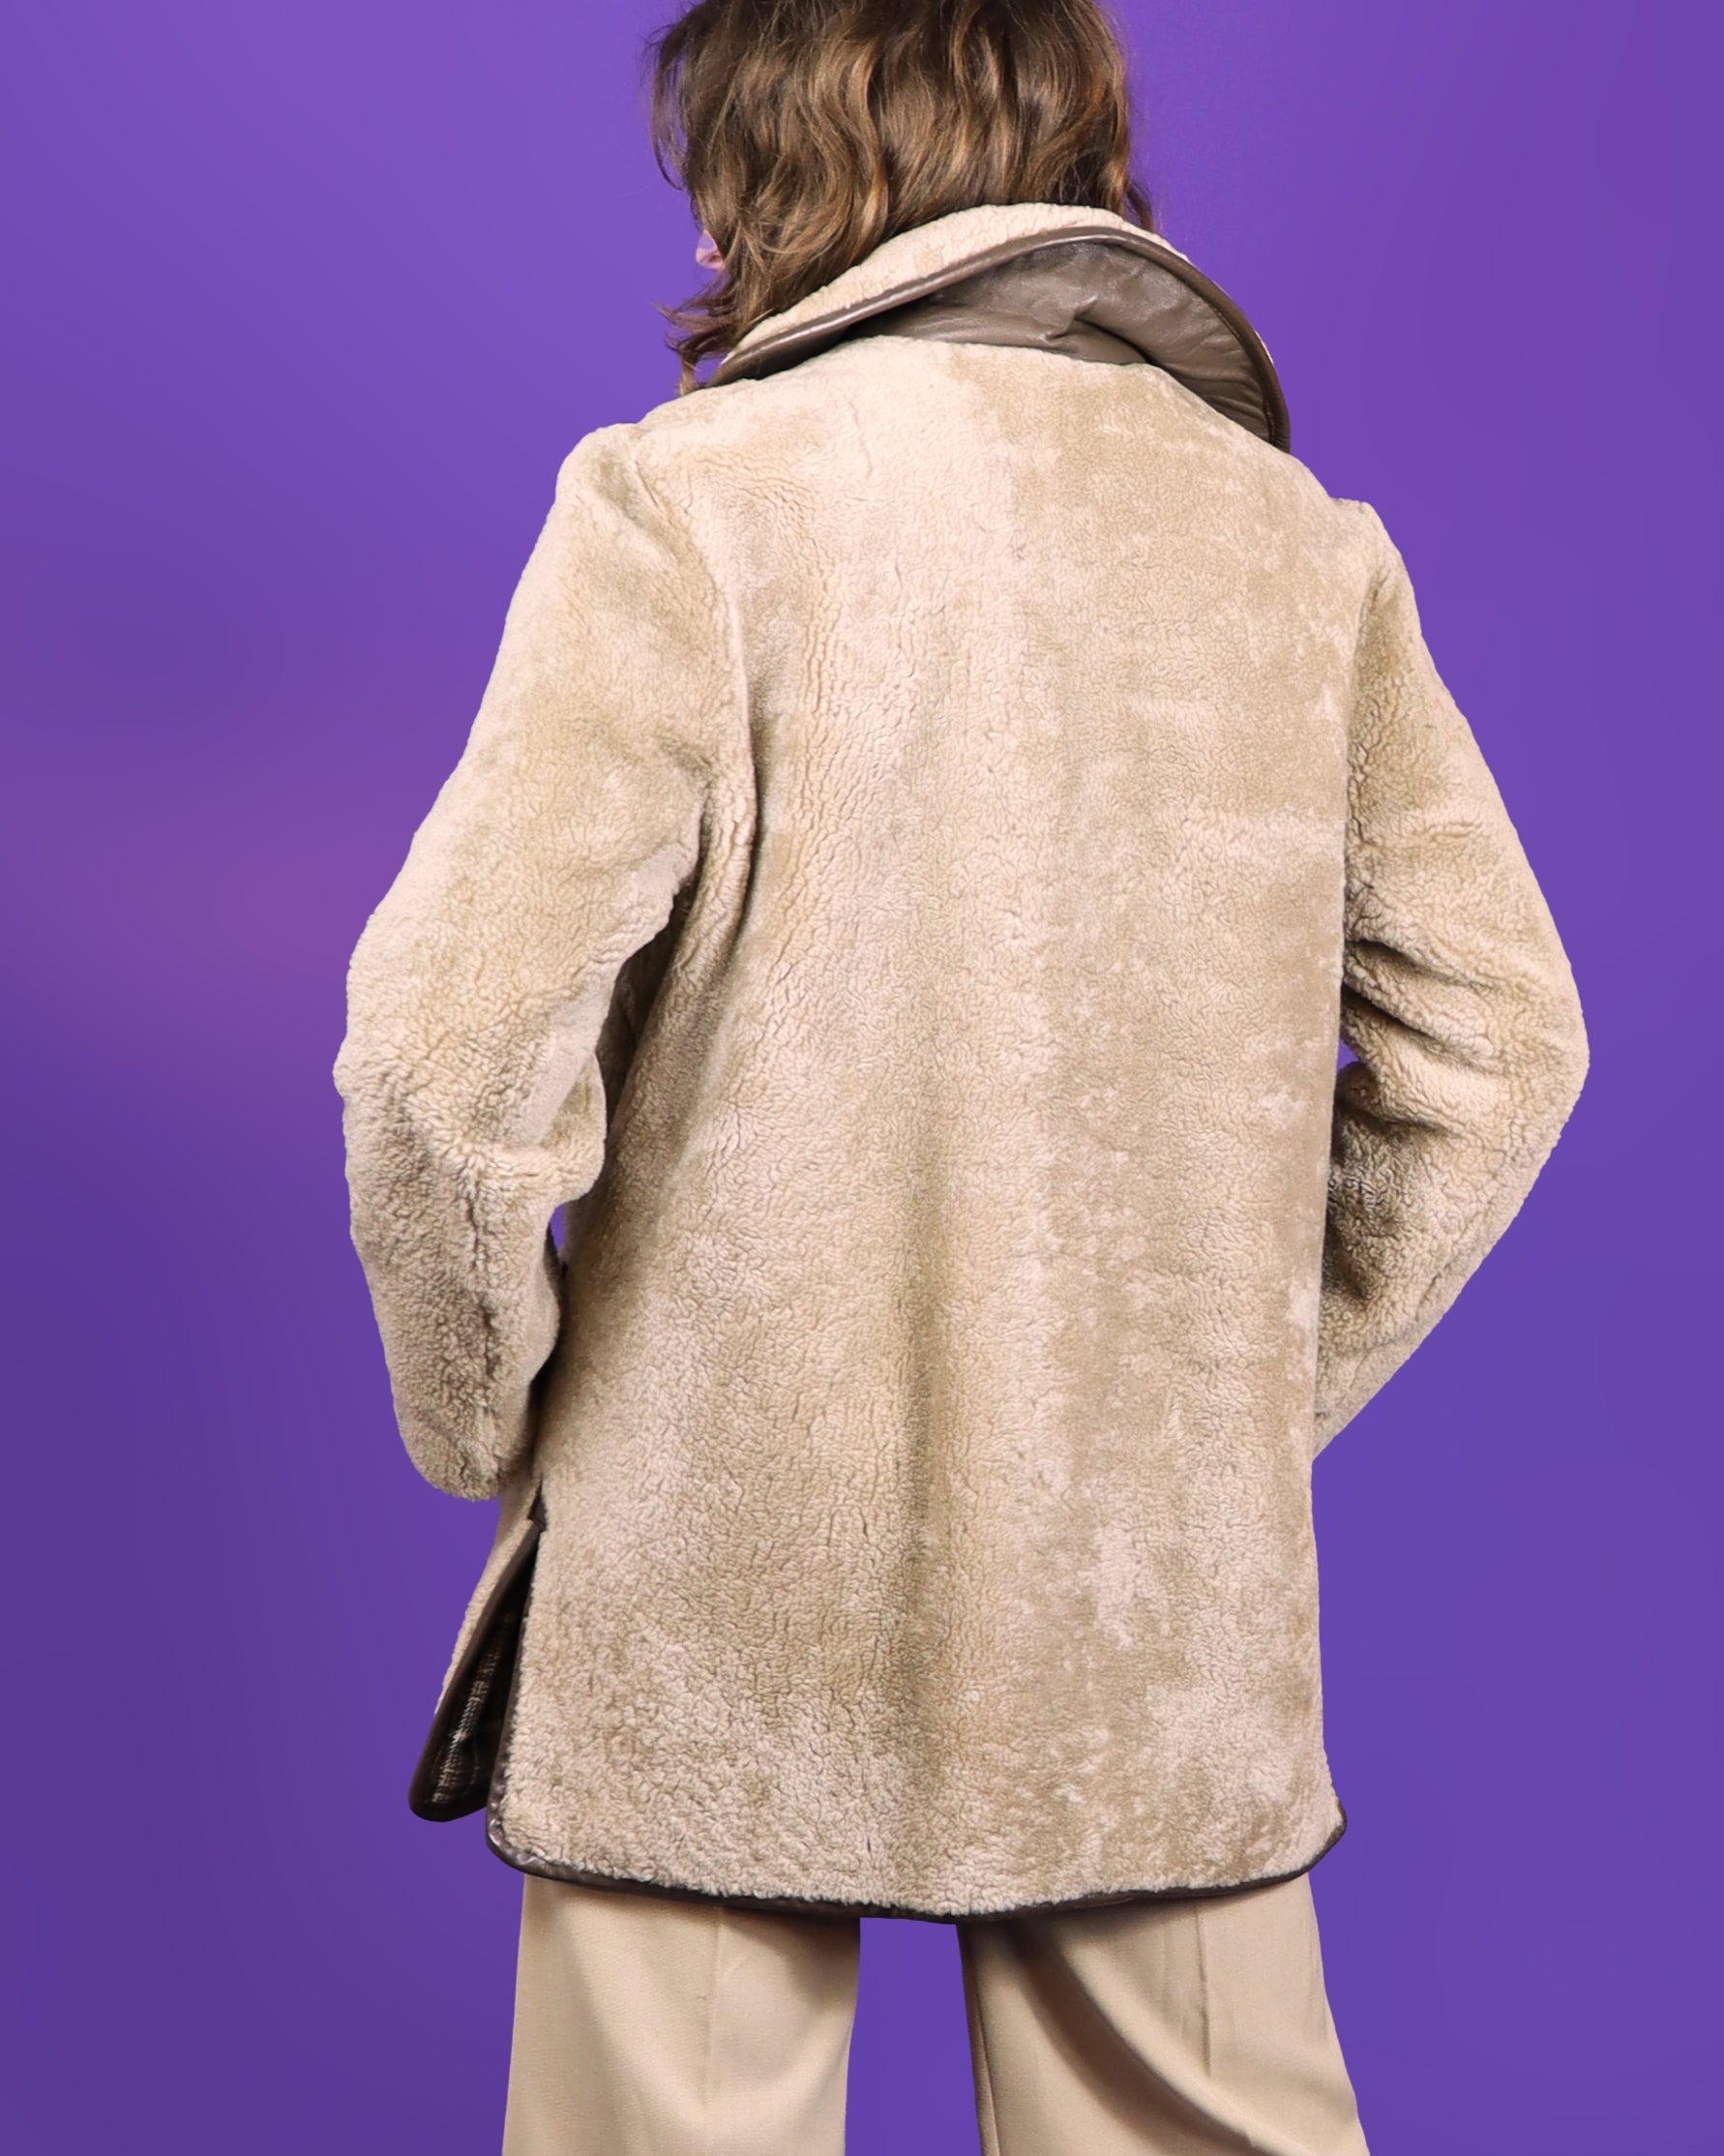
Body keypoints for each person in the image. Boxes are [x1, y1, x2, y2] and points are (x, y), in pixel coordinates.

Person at [334, 2, 1588, 2149]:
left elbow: (447, 1063)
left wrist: (493, 1419)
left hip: (709, 1566)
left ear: (773, 172)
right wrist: (1204, 1420)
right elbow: (1500, 1046)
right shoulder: (1298, 546)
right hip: (1143, 1607)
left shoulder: (685, 505)